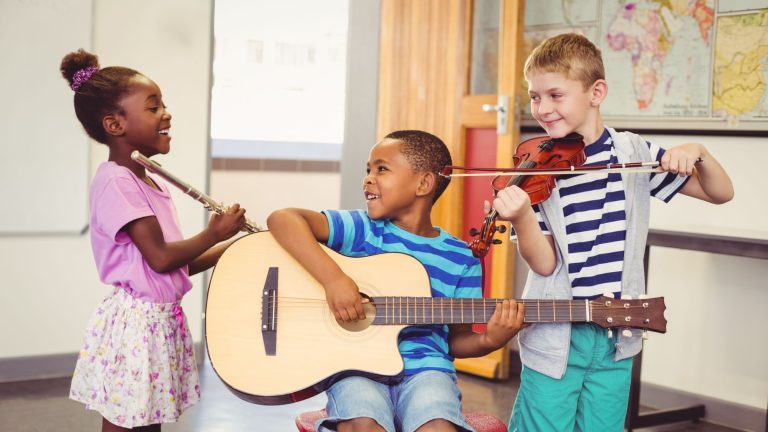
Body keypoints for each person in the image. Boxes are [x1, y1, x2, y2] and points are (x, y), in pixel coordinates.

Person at [490, 33, 734, 431]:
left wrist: (699, 152)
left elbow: (721, 193)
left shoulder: (633, 154)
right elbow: (545, 264)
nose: (542, 108)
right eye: (535, 96)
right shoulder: (536, 169)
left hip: (616, 334)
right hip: (558, 333)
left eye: (555, 95)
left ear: (596, 92)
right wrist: (521, 218)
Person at [267, 130, 525, 432]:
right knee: (363, 423)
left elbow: (456, 339)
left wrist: (490, 340)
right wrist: (334, 280)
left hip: (427, 370)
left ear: (423, 183)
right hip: (357, 367)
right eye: (368, 170)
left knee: (438, 426)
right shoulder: (362, 229)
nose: (368, 179)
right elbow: (283, 219)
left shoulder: (461, 258)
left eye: (382, 169)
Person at [61, 49, 247, 431]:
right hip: (138, 326)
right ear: (115, 125)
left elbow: (175, 265)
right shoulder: (117, 181)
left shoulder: (148, 180)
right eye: (153, 106)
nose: (166, 113)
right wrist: (213, 232)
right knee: (130, 423)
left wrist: (235, 246)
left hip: (160, 321)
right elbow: (161, 258)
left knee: (148, 423)